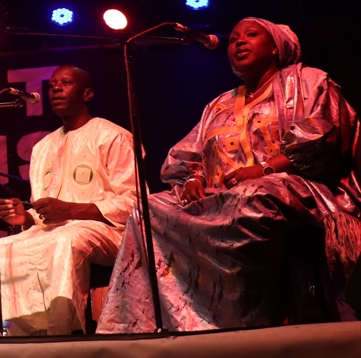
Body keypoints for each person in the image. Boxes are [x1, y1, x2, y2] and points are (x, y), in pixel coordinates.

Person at [97, 18, 361, 332]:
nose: (239, 42)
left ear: (276, 46)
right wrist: (193, 178)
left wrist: (264, 169)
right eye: (234, 38)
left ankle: (246, 319)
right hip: (223, 197)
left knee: (251, 198)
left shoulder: (307, 81)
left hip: (298, 187)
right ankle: (157, 326)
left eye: (251, 35)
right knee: (148, 208)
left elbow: (323, 133)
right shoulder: (219, 104)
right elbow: (188, 154)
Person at [0, 66, 138, 336]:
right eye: (52, 85)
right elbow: (42, 214)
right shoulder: (42, 147)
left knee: (65, 241)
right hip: (50, 233)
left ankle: (60, 337)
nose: (56, 89)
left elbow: (134, 203)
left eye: (66, 83)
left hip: (106, 231)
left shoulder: (113, 137)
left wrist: (71, 210)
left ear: (87, 93)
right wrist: (26, 217)